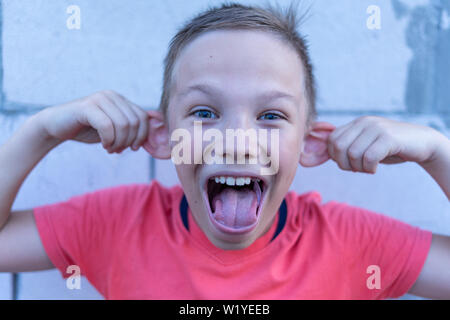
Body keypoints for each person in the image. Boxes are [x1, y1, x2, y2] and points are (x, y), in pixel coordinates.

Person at [0, 2, 449, 299]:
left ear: (309, 145)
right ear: (162, 136)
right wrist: (41, 130)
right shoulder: (115, 225)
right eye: (204, 112)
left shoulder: (354, 244)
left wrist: (436, 152)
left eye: (271, 116)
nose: (237, 141)